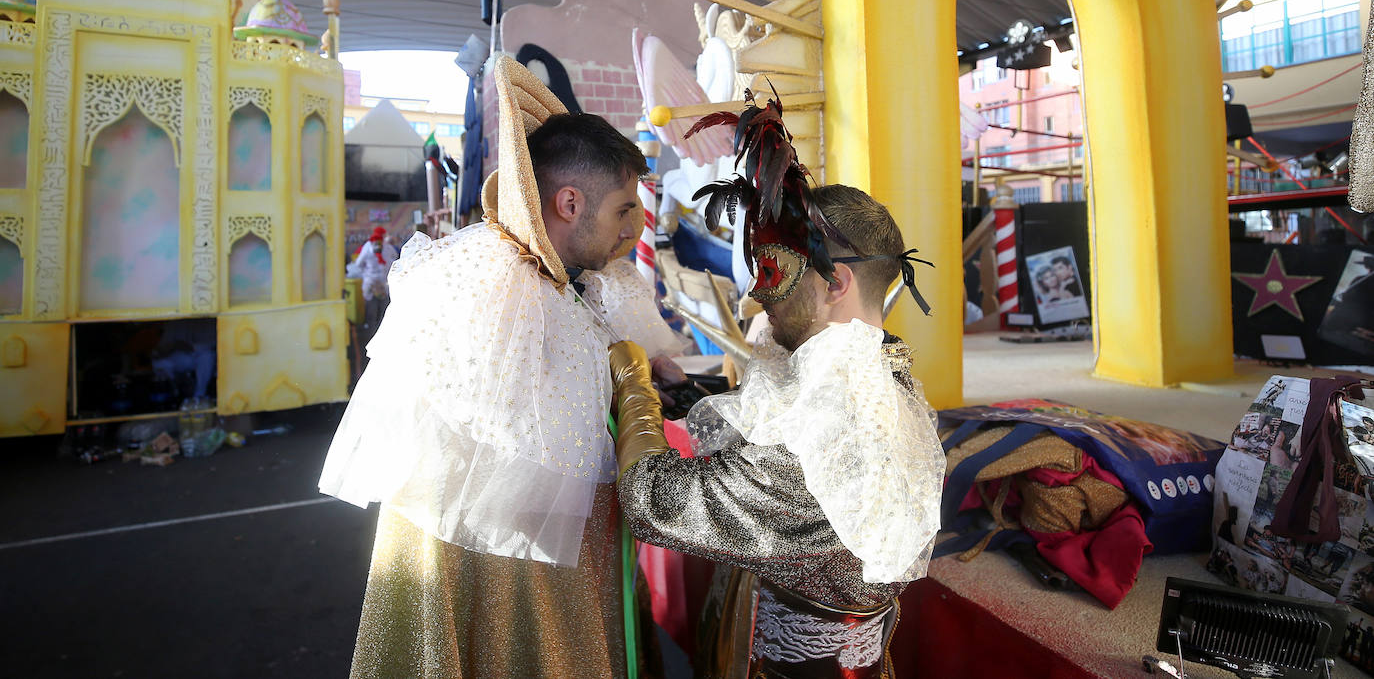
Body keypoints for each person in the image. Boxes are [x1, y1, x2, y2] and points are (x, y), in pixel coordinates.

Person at [319, 57, 662, 679]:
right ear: (568, 202)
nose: (632, 228)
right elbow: (505, 491)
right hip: (502, 570)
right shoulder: (491, 290)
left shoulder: (552, 280)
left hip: (539, 566)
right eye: (622, 210)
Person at [609, 92, 945, 678]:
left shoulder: (826, 435)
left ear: (835, 282)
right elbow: (767, 416)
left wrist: (629, 375)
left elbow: (653, 502)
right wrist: (686, 397)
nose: (758, 294)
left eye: (774, 274)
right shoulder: (884, 373)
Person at [351, 226, 398, 347]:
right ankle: (384, 339)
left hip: (371, 284)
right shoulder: (388, 247)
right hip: (385, 284)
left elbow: (358, 263)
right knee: (384, 314)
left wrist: (367, 274)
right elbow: (396, 260)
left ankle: (371, 340)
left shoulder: (367, 247)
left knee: (371, 314)